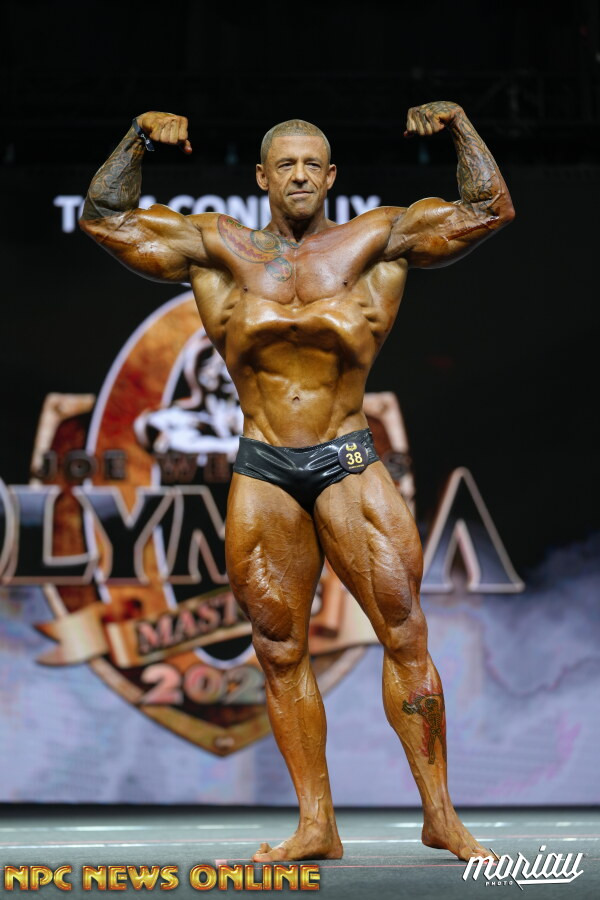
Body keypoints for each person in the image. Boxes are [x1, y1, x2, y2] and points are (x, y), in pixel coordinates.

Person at [80, 102, 514, 863]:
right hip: (265, 467)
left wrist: (460, 127)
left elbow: (488, 210)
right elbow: (105, 219)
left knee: (404, 633)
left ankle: (441, 815)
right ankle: (317, 824)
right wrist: (138, 139)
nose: (302, 175)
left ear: (332, 175)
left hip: (348, 459)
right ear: (263, 177)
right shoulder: (218, 248)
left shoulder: (377, 239)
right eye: (287, 165)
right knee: (279, 649)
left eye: (314, 164)